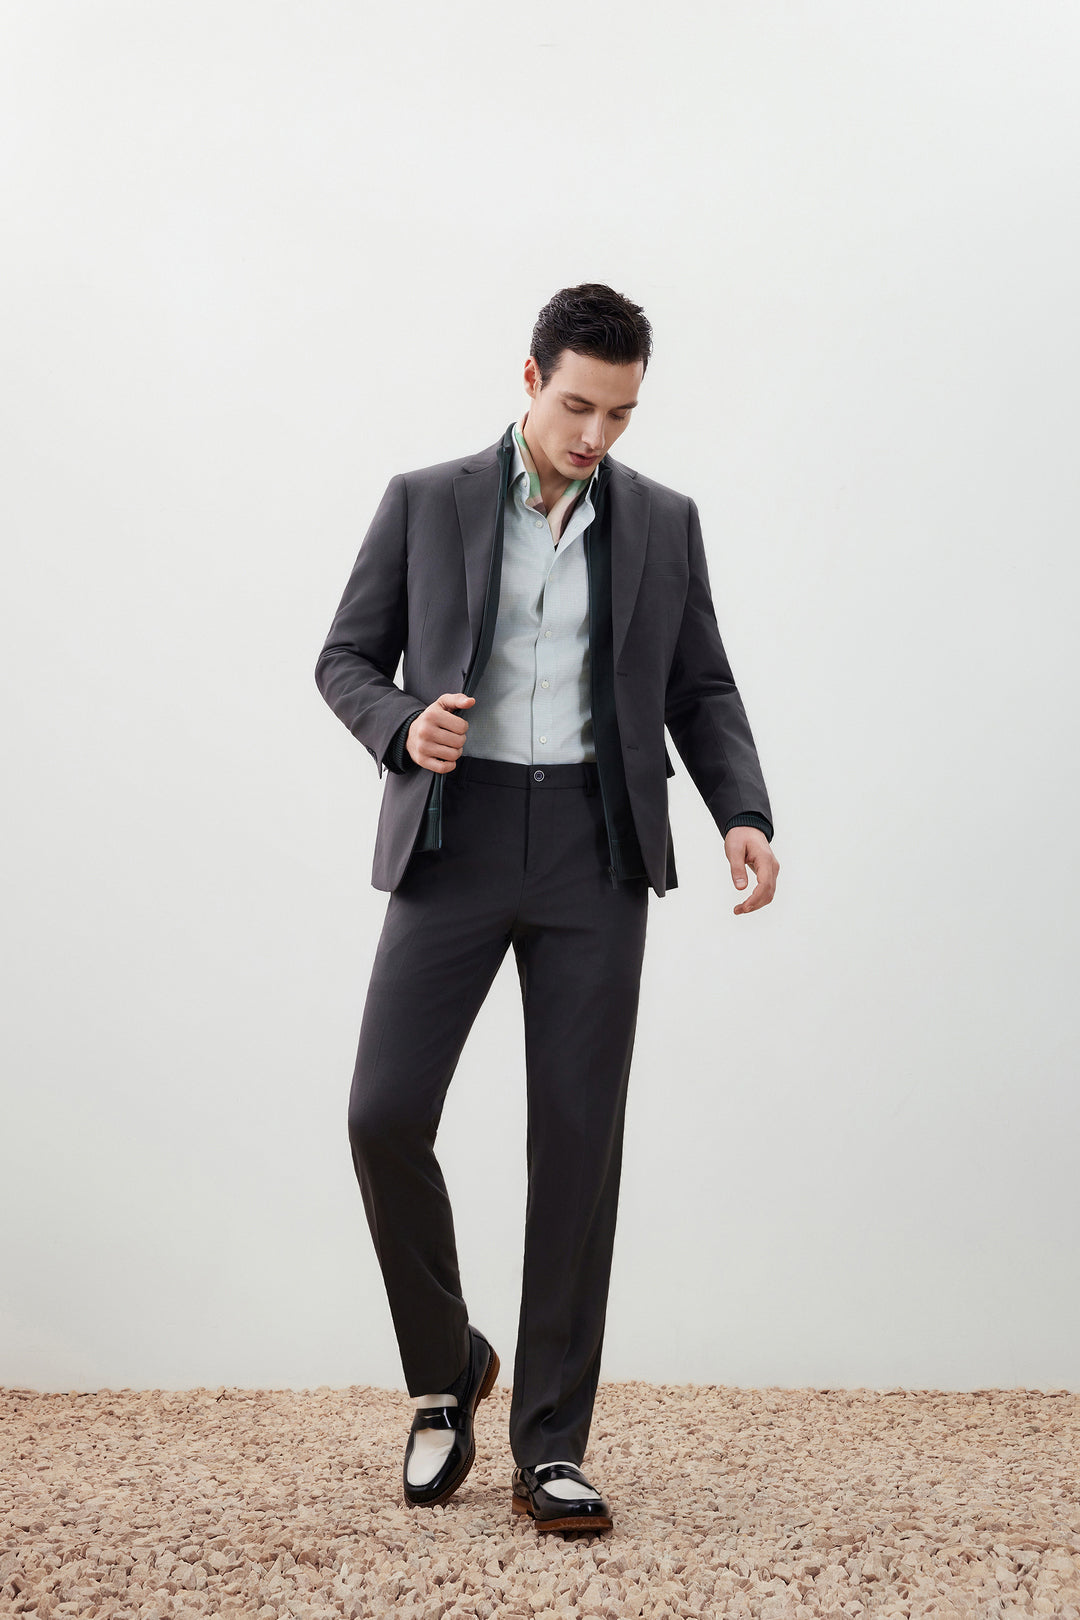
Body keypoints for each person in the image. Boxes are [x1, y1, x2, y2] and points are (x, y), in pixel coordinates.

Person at [314, 283, 778, 1534]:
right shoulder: (426, 501)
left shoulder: (663, 522)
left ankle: (553, 1445)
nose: (594, 436)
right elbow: (343, 659)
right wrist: (402, 725)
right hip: (454, 839)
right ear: (530, 381)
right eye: (577, 406)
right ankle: (445, 1369)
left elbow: (701, 685)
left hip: (595, 848)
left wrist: (741, 810)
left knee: (578, 1141)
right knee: (382, 1113)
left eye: (619, 415)